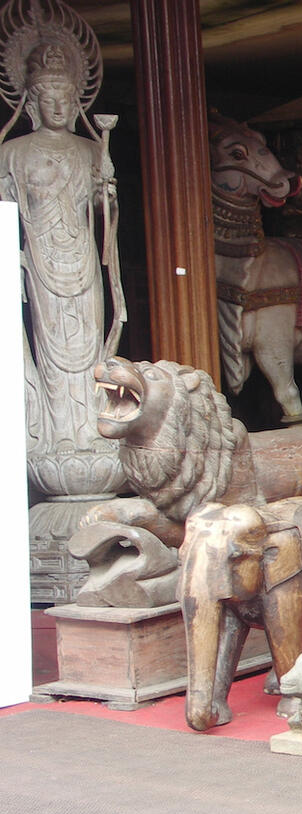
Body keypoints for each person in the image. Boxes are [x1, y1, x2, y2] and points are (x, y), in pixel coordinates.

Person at [0, 40, 123, 499]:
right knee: (52, 355)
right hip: (40, 260)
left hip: (82, 261)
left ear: (75, 104)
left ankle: (93, 431)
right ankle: (60, 438)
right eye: (48, 98)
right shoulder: (13, 152)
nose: (57, 106)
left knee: (89, 349)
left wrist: (107, 195)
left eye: (64, 99)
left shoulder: (90, 150)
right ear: (31, 103)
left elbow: (102, 211)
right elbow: (4, 213)